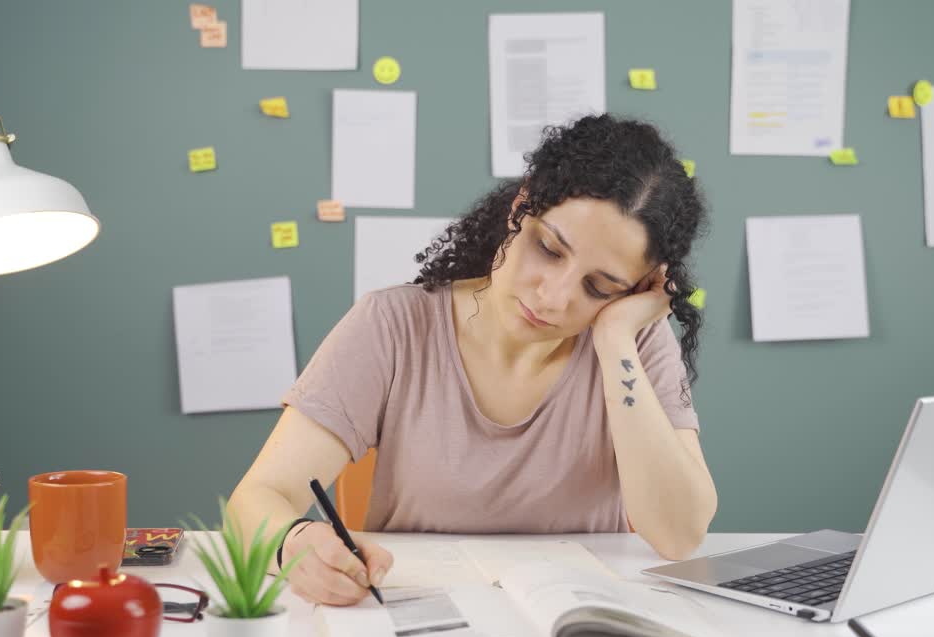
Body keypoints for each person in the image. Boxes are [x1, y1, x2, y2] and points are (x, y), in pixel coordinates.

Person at [228, 114, 716, 606]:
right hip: (418, 620)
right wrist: (294, 544)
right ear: (521, 207)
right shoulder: (393, 326)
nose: (553, 297)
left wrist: (614, 338)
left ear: (638, 288)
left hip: (577, 630)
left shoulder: (632, 343)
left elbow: (678, 535)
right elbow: (256, 497)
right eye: (548, 249)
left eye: (599, 287)